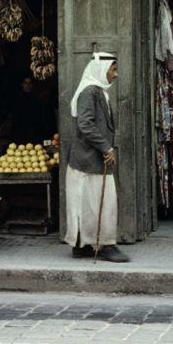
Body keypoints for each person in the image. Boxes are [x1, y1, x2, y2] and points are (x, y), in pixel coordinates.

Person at [64, 53, 128, 263]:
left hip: (90, 160)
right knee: (99, 202)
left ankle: (84, 244)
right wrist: (106, 147)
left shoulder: (97, 92)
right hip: (87, 160)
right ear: (102, 69)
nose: (116, 75)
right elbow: (85, 124)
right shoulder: (89, 92)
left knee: (89, 203)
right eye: (113, 69)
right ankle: (104, 245)